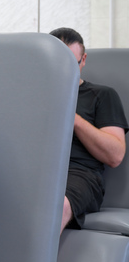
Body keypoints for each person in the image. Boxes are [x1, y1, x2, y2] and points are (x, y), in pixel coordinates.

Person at [50, 28, 128, 233]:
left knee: (54, 207)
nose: (64, 72)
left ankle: (35, 256)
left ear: (83, 60)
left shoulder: (102, 95)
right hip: (36, 169)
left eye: (71, 65)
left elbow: (115, 155)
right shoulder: (31, 94)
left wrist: (73, 118)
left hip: (80, 174)